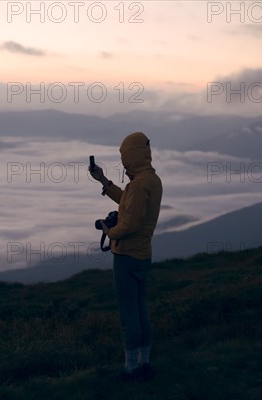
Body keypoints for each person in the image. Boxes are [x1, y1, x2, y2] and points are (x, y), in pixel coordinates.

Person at [89, 131, 163, 381]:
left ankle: (130, 368)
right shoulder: (150, 180)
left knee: (128, 314)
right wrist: (104, 182)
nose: (123, 161)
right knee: (141, 310)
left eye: (124, 156)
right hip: (143, 255)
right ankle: (144, 363)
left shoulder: (140, 185)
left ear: (130, 155)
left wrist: (110, 231)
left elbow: (129, 224)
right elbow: (128, 204)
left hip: (127, 257)